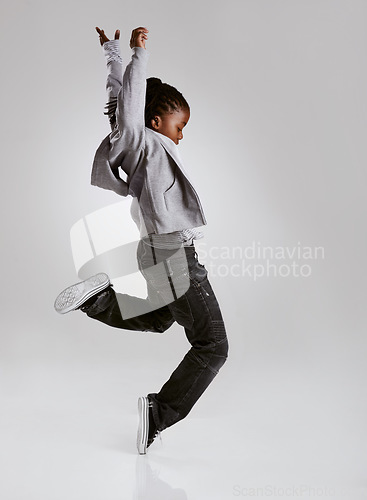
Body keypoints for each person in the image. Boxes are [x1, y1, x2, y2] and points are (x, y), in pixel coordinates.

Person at [54, 26, 229, 455]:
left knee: (159, 319)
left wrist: (112, 55)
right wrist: (138, 54)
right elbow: (127, 107)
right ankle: (159, 412)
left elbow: (118, 103)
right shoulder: (142, 141)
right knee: (213, 345)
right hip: (171, 250)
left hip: (154, 248)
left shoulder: (136, 142)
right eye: (179, 124)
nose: (181, 134)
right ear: (155, 119)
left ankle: (97, 299)